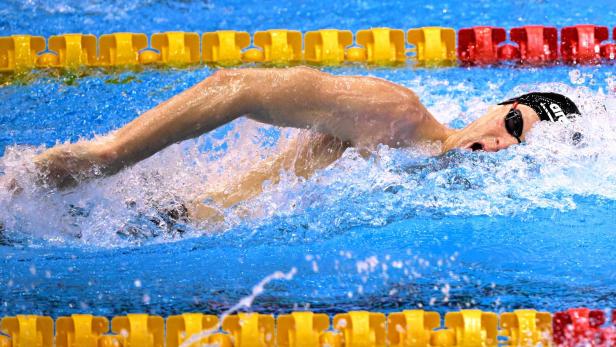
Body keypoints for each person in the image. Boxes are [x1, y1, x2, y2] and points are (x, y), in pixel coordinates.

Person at [8, 66, 581, 220]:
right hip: (163, 219)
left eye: (519, 148)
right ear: (495, 108)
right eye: (511, 125)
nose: (502, 145)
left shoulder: (449, 196)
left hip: (175, 225)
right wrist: (113, 154)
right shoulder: (396, 115)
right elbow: (240, 85)